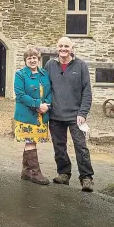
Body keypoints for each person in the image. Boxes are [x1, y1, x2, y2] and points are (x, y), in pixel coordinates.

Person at [44, 37, 94, 192]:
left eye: (66, 46)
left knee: (81, 147)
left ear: (72, 48)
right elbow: (45, 87)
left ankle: (86, 178)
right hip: (55, 115)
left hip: (75, 116)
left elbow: (87, 91)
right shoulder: (50, 65)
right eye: (60, 46)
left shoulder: (80, 66)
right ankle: (64, 173)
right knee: (59, 147)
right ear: (57, 47)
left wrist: (83, 112)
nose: (63, 49)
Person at [14, 47, 52, 185]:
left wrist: (47, 105)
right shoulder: (20, 75)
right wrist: (37, 104)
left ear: (38, 59)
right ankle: (35, 173)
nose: (32, 60)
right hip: (27, 114)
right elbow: (20, 95)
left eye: (34, 57)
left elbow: (50, 91)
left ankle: (26, 171)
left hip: (42, 113)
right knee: (30, 140)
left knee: (33, 141)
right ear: (25, 60)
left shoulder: (44, 74)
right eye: (29, 58)